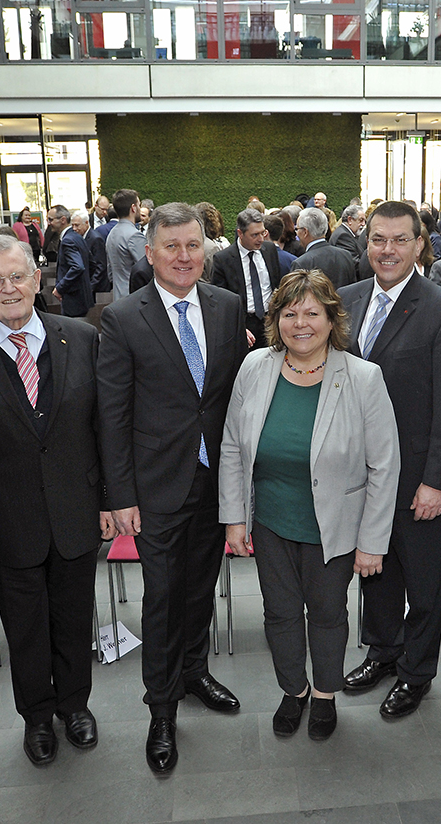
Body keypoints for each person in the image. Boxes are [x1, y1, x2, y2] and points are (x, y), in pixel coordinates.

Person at [0, 234, 115, 767]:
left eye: (17, 277)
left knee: (75, 618)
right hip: (2, 518)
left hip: (75, 510)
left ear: (38, 279)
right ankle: (36, 715)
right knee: (25, 625)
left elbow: (101, 426)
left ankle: (76, 705)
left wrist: (106, 498)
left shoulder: (81, 337)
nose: (8, 289)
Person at [97, 202, 248, 774]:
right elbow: (112, 414)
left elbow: (232, 394)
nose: (185, 257)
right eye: (172, 247)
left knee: (199, 587)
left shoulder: (228, 307)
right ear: (151, 252)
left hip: (214, 482)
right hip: (154, 486)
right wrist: (119, 495)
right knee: (161, 598)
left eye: (194, 246)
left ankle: (193, 671)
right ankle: (161, 708)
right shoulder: (123, 318)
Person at [219, 269, 400, 739]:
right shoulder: (254, 367)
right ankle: (293, 690)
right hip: (273, 519)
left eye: (312, 313)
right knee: (278, 613)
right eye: (289, 312)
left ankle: (323, 694)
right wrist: (235, 518)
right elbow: (233, 447)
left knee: (326, 612)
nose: (301, 323)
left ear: (331, 319)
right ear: (275, 318)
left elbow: (384, 465)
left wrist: (372, 542)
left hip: (335, 525)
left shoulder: (362, 377)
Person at [338, 201, 441, 719]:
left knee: (421, 582)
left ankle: (417, 671)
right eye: (378, 239)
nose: (388, 250)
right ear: (366, 242)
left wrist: (438, 481)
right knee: (375, 572)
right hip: (359, 476)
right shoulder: (345, 300)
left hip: (418, 477)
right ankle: (383, 651)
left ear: (420, 244)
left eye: (400, 240)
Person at [212, 207, 286, 350]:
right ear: (240, 233)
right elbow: (219, 301)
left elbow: (276, 285)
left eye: (263, 233)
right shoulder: (224, 259)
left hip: (270, 322)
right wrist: (237, 328)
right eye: (255, 235)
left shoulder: (269, 250)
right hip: (243, 326)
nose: (261, 239)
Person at [291, 207, 356, 288]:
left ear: (305, 232)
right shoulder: (346, 255)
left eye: (297, 229)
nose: (296, 233)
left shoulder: (301, 263)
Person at [105, 189, 147, 298]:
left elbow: (110, 273)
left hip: (117, 297)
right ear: (133, 208)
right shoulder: (135, 236)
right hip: (135, 298)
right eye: (139, 205)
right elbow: (146, 271)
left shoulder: (112, 234)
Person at [54, 211, 95, 317]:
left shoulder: (68, 240)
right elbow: (91, 264)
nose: (49, 223)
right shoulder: (78, 237)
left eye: (50, 219)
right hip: (83, 298)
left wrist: (60, 288)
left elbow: (78, 267)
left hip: (73, 300)